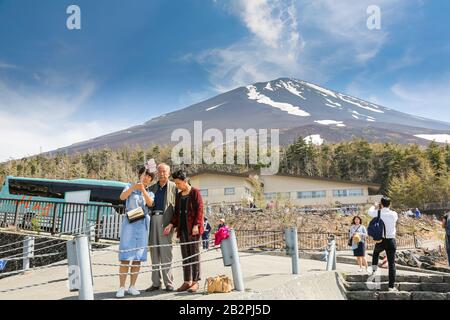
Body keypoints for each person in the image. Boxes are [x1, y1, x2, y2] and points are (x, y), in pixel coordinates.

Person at [116, 167, 155, 298]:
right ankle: (121, 287)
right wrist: (134, 188)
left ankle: (132, 286)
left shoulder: (150, 192)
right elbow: (122, 197)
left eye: (149, 177)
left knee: (138, 257)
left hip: (142, 225)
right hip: (130, 224)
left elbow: (150, 204)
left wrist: (143, 189)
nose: (146, 178)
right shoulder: (128, 186)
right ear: (139, 175)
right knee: (126, 256)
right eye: (145, 175)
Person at [164, 170, 204, 293]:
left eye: (178, 183)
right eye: (175, 183)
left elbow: (200, 209)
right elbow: (176, 213)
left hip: (193, 230)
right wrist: (171, 224)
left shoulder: (195, 192)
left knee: (194, 255)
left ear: (185, 181)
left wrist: (196, 224)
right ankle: (187, 281)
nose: (177, 186)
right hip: (183, 229)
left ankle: (196, 282)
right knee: (185, 256)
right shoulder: (179, 195)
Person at [145, 163, 178, 292]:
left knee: (166, 253)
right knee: (154, 253)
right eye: (159, 172)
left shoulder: (174, 187)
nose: (161, 174)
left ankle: (169, 283)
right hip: (153, 219)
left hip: (166, 222)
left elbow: (177, 208)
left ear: (169, 173)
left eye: (164, 171)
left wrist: (173, 224)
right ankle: (155, 283)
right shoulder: (152, 188)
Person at [368, 196, 399, 292]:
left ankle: (374, 271)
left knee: (376, 253)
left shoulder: (378, 213)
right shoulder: (394, 214)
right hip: (391, 241)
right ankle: (391, 287)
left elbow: (369, 212)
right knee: (392, 264)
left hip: (381, 241)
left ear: (381, 203)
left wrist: (375, 206)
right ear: (390, 204)